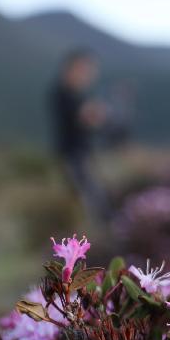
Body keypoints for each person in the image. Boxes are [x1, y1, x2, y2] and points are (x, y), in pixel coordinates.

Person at [50, 49, 109, 220]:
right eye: (84, 70)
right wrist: (96, 112)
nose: (87, 76)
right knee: (90, 197)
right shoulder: (63, 93)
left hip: (81, 153)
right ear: (71, 69)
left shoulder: (76, 94)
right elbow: (87, 117)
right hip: (72, 154)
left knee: (89, 195)